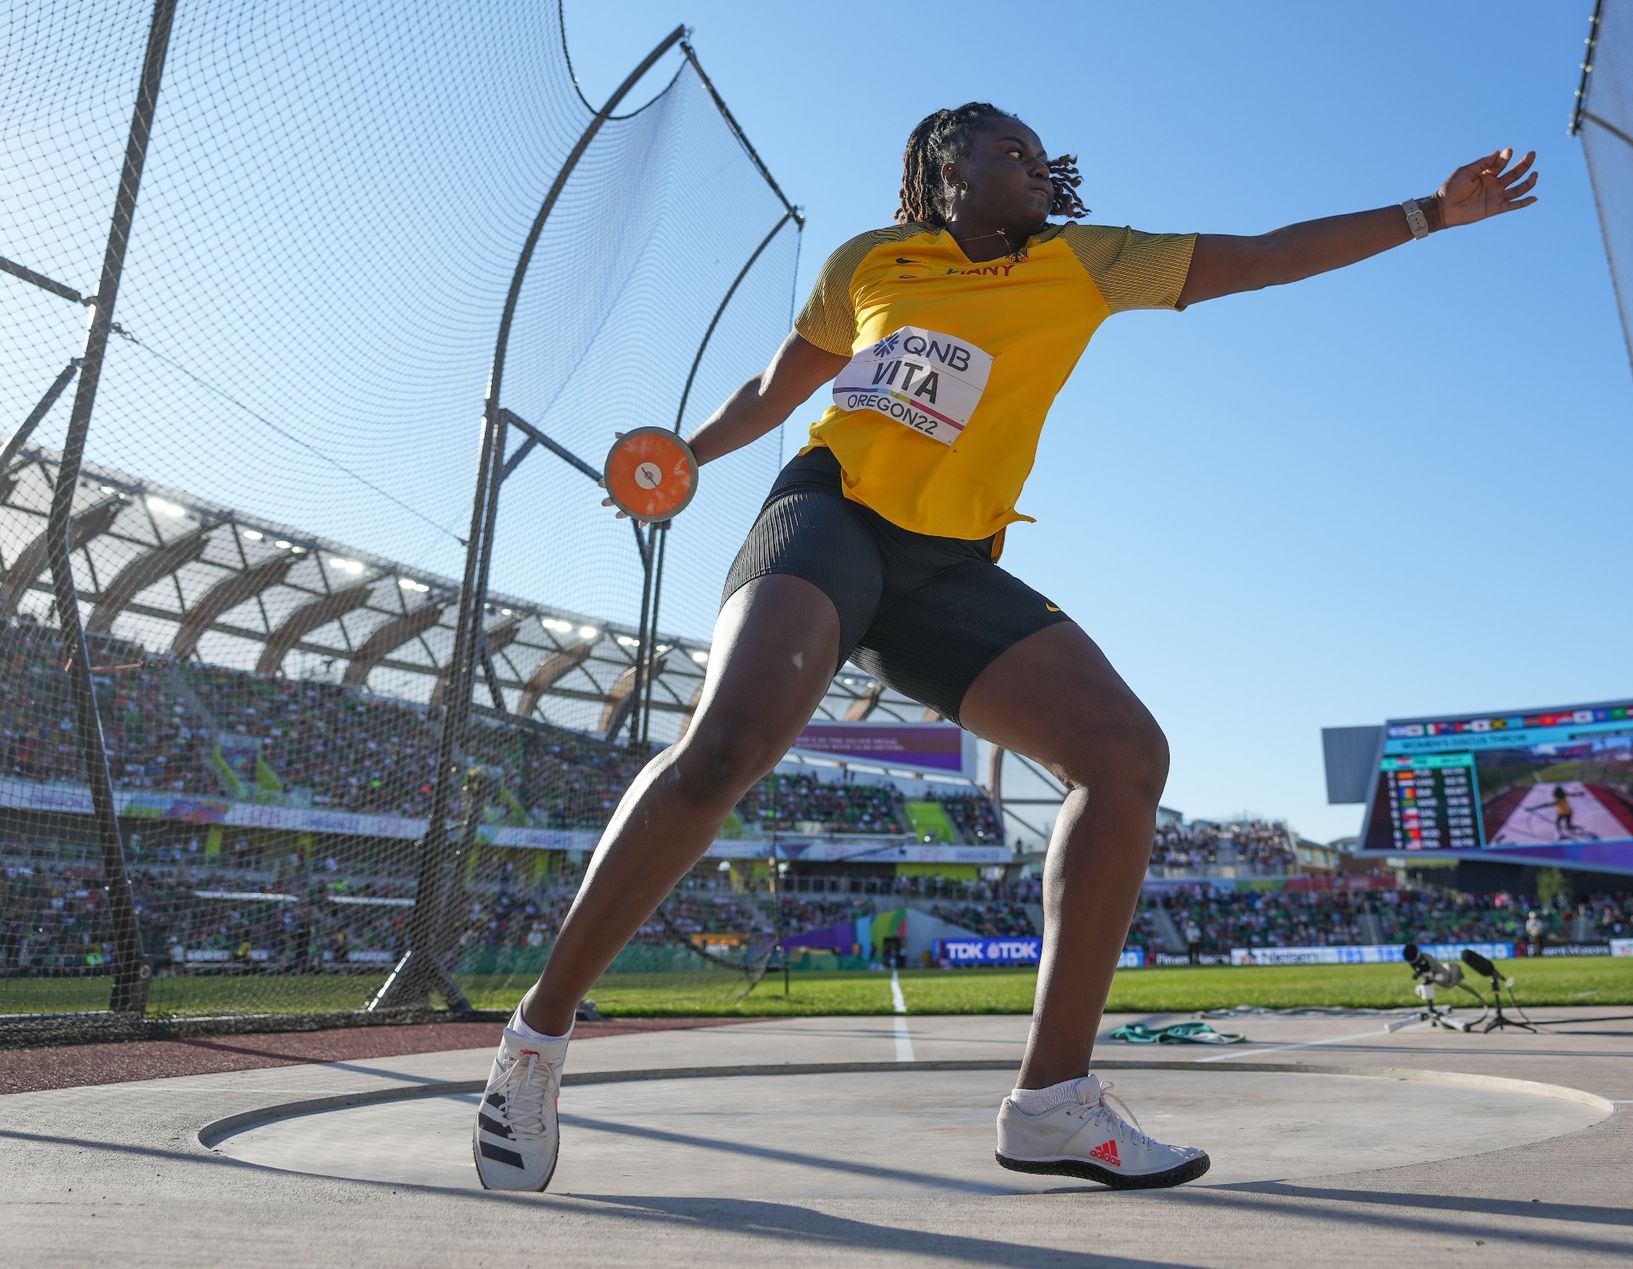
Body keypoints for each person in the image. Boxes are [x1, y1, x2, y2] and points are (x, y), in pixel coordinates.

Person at [472, 101, 1537, 1193]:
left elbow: (1259, 259)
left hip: (947, 569)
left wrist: (1427, 214)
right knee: (725, 747)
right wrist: (685, 456)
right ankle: (532, 1045)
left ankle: (1051, 1104)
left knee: (1125, 759)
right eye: (1007, 150)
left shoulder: (1085, 260)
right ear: (946, 166)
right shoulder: (870, 261)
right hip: (831, 513)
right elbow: (778, 386)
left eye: (1040, 154)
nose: (1035, 164)